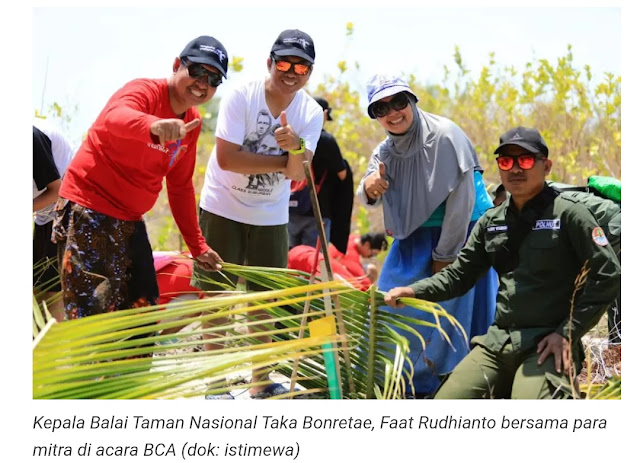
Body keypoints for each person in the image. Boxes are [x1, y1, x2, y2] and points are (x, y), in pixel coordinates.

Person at [384, 126, 621, 399]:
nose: (516, 169)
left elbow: (608, 274)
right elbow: (459, 275)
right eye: (506, 161)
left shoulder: (570, 215)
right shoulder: (491, 221)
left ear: (547, 167)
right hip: (497, 344)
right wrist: (413, 291)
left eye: (526, 160)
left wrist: (567, 333)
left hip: (547, 344)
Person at [52, 35, 226, 321]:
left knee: (142, 314)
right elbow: (113, 117)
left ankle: (130, 368)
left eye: (214, 79)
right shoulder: (144, 91)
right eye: (197, 71)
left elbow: (180, 187)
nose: (202, 83)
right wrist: (154, 125)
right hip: (89, 208)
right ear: (176, 65)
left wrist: (198, 247)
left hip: (130, 220)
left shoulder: (190, 123)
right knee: (90, 318)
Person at [191, 29, 324, 398]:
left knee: (264, 301)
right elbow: (226, 159)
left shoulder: (310, 113)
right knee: (217, 299)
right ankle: (216, 386)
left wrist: (295, 148)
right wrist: (284, 159)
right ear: (269, 62)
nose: (291, 71)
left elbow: (299, 173)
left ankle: (260, 382)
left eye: (301, 65)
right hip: (222, 206)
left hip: (270, 214)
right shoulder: (241, 96)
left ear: (310, 72)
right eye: (284, 62)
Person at [356, 74, 497, 397]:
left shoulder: (446, 136)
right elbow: (366, 190)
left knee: (452, 315)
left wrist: (446, 256)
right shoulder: (386, 150)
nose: (392, 112)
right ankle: (394, 382)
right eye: (381, 107)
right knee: (392, 304)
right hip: (413, 235)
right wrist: (370, 187)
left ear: (413, 100)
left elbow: (462, 202)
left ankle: (447, 386)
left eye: (399, 102)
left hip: (463, 233)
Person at [288, 97, 351, 249]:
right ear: (323, 114)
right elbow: (342, 175)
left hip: (289, 209)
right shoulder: (326, 140)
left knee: (288, 262)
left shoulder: (291, 137)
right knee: (312, 265)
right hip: (317, 212)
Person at [33, 118, 75, 322]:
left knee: (50, 290)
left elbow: (56, 191)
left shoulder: (31, 138)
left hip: (68, 203)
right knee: (36, 286)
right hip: (42, 214)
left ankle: (57, 347)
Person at [288, 232, 387, 290]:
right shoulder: (350, 257)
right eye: (373, 254)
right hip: (326, 271)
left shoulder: (353, 238)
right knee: (370, 274)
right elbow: (364, 287)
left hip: (315, 258)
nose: (370, 257)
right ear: (366, 245)